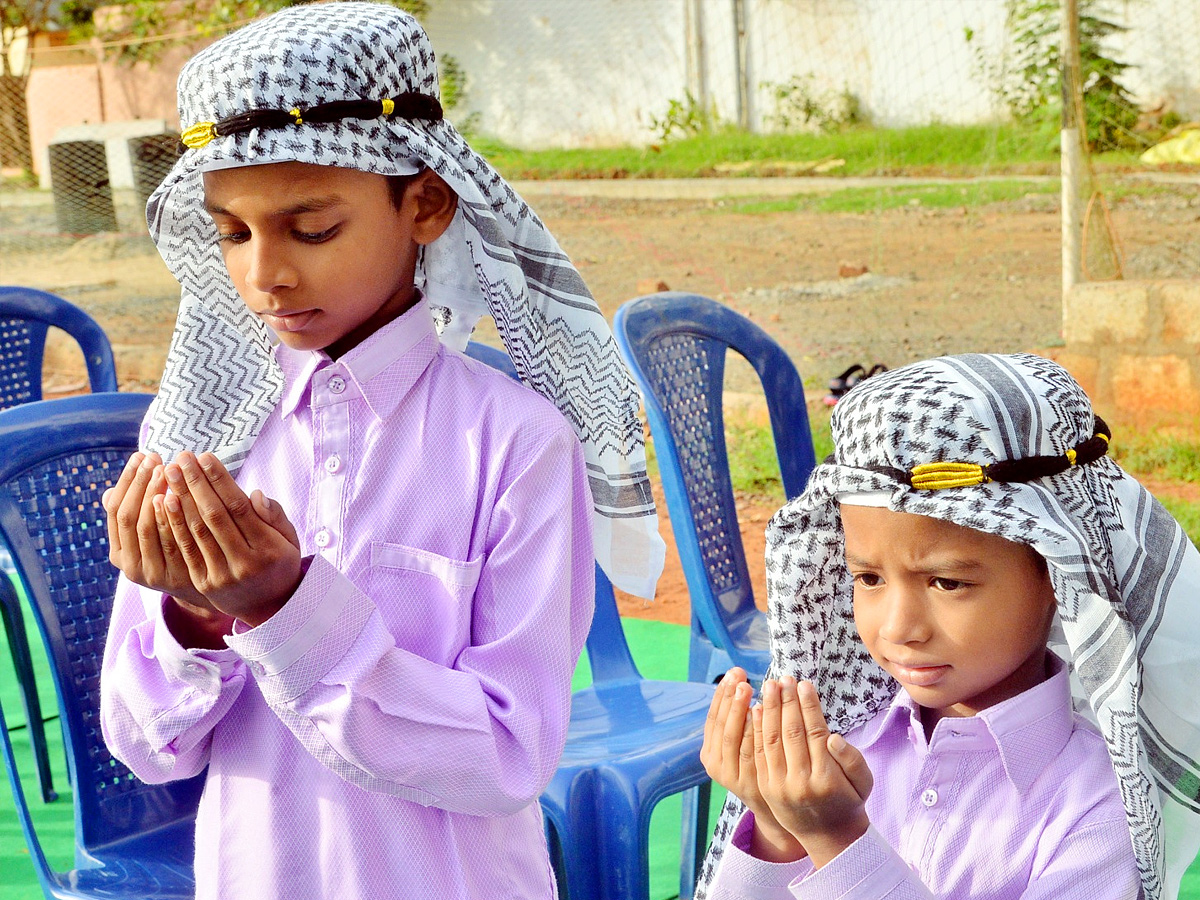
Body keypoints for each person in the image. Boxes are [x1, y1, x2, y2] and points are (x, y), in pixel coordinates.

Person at [99, 5, 665, 899]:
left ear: (427, 204)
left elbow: (510, 756)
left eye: (310, 228)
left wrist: (286, 610)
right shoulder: (205, 449)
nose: (264, 274)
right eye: (233, 233)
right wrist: (197, 619)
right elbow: (144, 747)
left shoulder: (516, 445)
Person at [695, 353, 1200, 900]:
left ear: (1062, 577)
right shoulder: (839, 747)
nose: (898, 628)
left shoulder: (1098, 806)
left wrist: (837, 840)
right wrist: (776, 829)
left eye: (947, 583)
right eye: (867, 578)